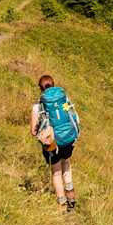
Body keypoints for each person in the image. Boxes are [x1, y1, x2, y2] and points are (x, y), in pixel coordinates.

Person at [31, 74, 79, 212]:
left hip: (52, 143)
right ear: (53, 85)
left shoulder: (37, 106)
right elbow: (72, 116)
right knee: (67, 166)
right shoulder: (63, 99)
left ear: (40, 89)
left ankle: (62, 205)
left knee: (56, 173)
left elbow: (33, 132)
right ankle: (71, 199)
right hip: (68, 139)